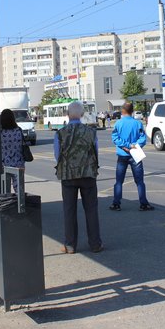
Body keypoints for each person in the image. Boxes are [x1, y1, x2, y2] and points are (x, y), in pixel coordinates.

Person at [54, 101, 103, 254]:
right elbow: (95, 152)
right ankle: (95, 244)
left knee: (69, 210)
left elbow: (57, 155)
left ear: (67, 115)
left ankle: (70, 245)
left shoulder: (60, 133)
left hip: (68, 176)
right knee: (91, 210)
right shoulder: (91, 132)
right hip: (88, 175)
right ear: (82, 114)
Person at [109, 102, 153, 211]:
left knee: (119, 181)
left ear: (122, 111)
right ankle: (143, 204)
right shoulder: (137, 124)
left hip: (122, 154)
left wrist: (126, 146)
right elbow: (143, 139)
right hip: (135, 154)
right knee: (139, 181)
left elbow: (115, 138)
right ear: (132, 111)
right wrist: (134, 146)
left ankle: (116, 204)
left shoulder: (118, 123)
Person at [0, 108, 26, 192]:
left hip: (4, 163)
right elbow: (23, 144)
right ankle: (19, 199)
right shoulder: (18, 130)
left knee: (5, 189)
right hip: (18, 163)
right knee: (19, 189)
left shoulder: (0, 132)